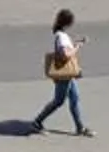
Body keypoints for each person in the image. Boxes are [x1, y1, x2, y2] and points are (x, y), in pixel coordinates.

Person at [32, 8, 89, 136]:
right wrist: (78, 47)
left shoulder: (61, 35)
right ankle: (37, 122)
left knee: (74, 98)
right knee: (58, 101)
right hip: (64, 75)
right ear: (68, 23)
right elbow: (65, 55)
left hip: (67, 74)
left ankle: (80, 127)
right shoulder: (61, 36)